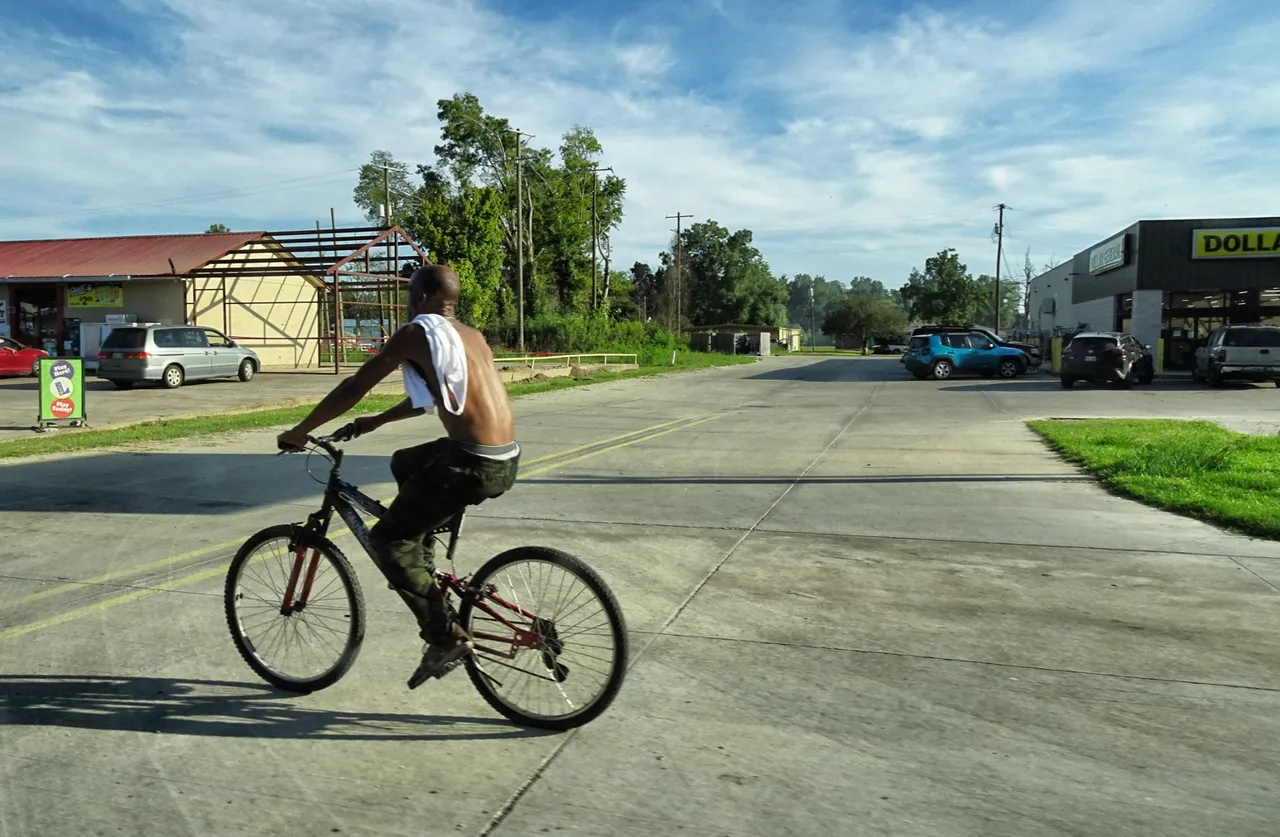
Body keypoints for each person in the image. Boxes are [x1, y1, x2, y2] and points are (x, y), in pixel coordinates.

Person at [277, 264, 521, 688]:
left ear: (423, 296)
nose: (407, 303)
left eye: (410, 294)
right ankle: (423, 554)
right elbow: (433, 398)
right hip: (504, 456)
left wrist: (301, 431)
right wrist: (375, 422)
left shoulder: (418, 332)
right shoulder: (471, 336)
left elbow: (353, 386)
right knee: (405, 462)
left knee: (387, 540)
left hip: (472, 462)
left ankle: (444, 637)